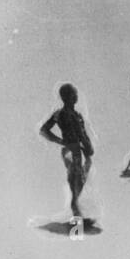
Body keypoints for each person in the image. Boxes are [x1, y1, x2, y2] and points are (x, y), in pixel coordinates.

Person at [39, 84, 96, 225]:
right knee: (75, 181)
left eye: (76, 94)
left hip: (78, 150)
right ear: (67, 97)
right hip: (71, 150)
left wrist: (88, 148)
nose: (76, 97)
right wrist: (61, 141)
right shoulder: (61, 114)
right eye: (74, 94)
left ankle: (76, 210)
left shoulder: (76, 115)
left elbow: (83, 134)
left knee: (79, 180)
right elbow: (44, 130)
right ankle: (76, 218)